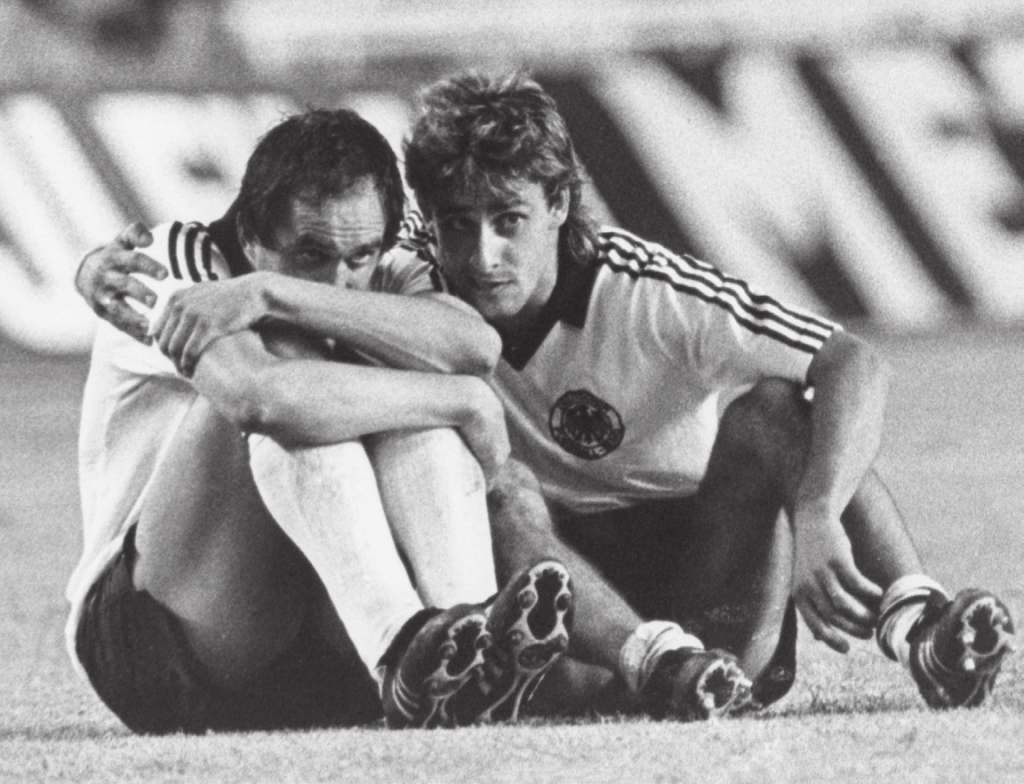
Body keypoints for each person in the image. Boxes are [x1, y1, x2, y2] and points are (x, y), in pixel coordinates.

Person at [80, 71, 1016, 719]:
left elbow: (850, 361)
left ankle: (915, 618)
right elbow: (264, 398)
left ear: (561, 204)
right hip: (194, 620)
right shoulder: (187, 264)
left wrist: (814, 516)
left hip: (683, 556)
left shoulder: (643, 293)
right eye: (458, 225)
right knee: (421, 436)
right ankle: (475, 651)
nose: (482, 253)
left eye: (509, 221)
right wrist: (461, 404)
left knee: (775, 412)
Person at [68, 106, 576, 735]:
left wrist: (276, 291)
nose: (339, 278)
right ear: (252, 234)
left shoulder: (383, 263)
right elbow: (261, 399)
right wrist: (464, 401)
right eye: (310, 253)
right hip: (160, 648)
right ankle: (400, 642)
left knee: (404, 383)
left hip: (318, 647)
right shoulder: (166, 262)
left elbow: (472, 347)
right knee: (298, 364)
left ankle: (462, 652)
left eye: (360, 255)